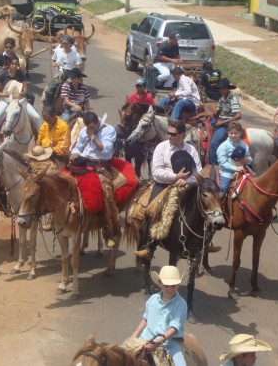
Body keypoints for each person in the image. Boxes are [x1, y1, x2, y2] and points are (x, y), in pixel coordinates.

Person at [135, 120, 205, 259]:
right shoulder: (161, 147)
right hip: (163, 185)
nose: (169, 136)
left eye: (172, 134)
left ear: (182, 134)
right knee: (151, 210)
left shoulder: (191, 150)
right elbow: (156, 172)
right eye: (168, 133)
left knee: (205, 208)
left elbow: (199, 173)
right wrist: (175, 177)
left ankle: (204, 242)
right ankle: (148, 245)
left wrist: (185, 180)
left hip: (187, 186)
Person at [69, 111, 120, 247]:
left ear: (97, 123)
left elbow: (106, 149)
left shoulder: (108, 130)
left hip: (100, 165)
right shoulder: (84, 130)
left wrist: (93, 138)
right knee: (61, 181)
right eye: (88, 128)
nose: (90, 130)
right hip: (84, 162)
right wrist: (74, 154)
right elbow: (78, 147)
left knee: (106, 192)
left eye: (92, 127)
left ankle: (108, 231)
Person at [130, 265, 188, 366]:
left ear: (178, 285)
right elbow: (146, 318)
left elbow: (174, 327)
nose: (169, 289)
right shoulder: (152, 299)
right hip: (145, 339)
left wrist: (157, 343)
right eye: (166, 285)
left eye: (173, 285)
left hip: (169, 344)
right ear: (160, 284)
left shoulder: (181, 304)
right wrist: (135, 335)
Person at [209, 78, 241, 165]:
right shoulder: (222, 98)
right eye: (220, 89)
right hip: (220, 122)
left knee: (214, 143)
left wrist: (222, 122)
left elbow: (238, 115)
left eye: (223, 88)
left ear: (228, 88)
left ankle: (214, 166)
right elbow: (218, 110)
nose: (221, 90)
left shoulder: (233, 98)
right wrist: (215, 113)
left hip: (228, 125)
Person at [216, 122, 252, 197]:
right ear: (228, 133)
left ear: (240, 133)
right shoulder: (223, 146)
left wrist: (248, 160)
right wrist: (236, 168)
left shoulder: (244, 145)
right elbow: (222, 163)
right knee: (223, 188)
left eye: (236, 133)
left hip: (243, 169)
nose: (233, 135)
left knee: (255, 180)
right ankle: (219, 205)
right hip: (228, 172)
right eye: (231, 133)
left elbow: (250, 158)